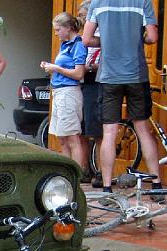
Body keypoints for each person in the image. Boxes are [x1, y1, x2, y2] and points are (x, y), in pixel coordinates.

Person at [82, 0, 161, 194]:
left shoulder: (97, 3)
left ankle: (107, 187)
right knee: (142, 129)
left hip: (109, 76)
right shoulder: (143, 2)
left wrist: (107, 41)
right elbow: (152, 37)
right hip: (136, 75)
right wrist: (139, 39)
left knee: (109, 132)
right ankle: (157, 185)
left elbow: (86, 40)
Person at [40, 12, 88, 176]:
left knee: (72, 137)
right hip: (59, 93)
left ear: (68, 28)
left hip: (69, 93)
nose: (56, 33)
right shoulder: (65, 44)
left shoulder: (78, 46)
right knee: (62, 137)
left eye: (58, 29)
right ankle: (66, 174)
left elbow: (79, 74)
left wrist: (56, 68)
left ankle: (77, 175)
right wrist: (51, 66)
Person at [77, 0, 102, 186]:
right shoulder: (81, 38)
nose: (82, 21)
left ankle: (101, 171)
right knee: (82, 131)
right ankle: (83, 170)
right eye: (80, 17)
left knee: (98, 131)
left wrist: (91, 66)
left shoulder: (102, 36)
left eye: (84, 17)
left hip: (97, 84)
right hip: (82, 84)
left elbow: (108, 61)